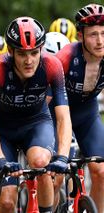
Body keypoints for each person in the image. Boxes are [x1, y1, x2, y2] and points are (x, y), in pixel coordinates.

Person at [0, 17, 72, 213]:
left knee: (41, 163)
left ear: (41, 49)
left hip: (36, 123)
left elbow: (64, 117)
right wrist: (1, 160)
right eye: (22, 54)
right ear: (10, 50)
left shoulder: (52, 66)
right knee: (6, 201)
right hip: (3, 131)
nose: (29, 60)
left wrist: (63, 157)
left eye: (34, 53)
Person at [54, 3, 104, 212]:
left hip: (86, 113)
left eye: (103, 33)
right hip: (56, 113)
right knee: (55, 178)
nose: (100, 41)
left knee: (101, 172)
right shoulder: (65, 58)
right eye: (93, 35)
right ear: (80, 37)